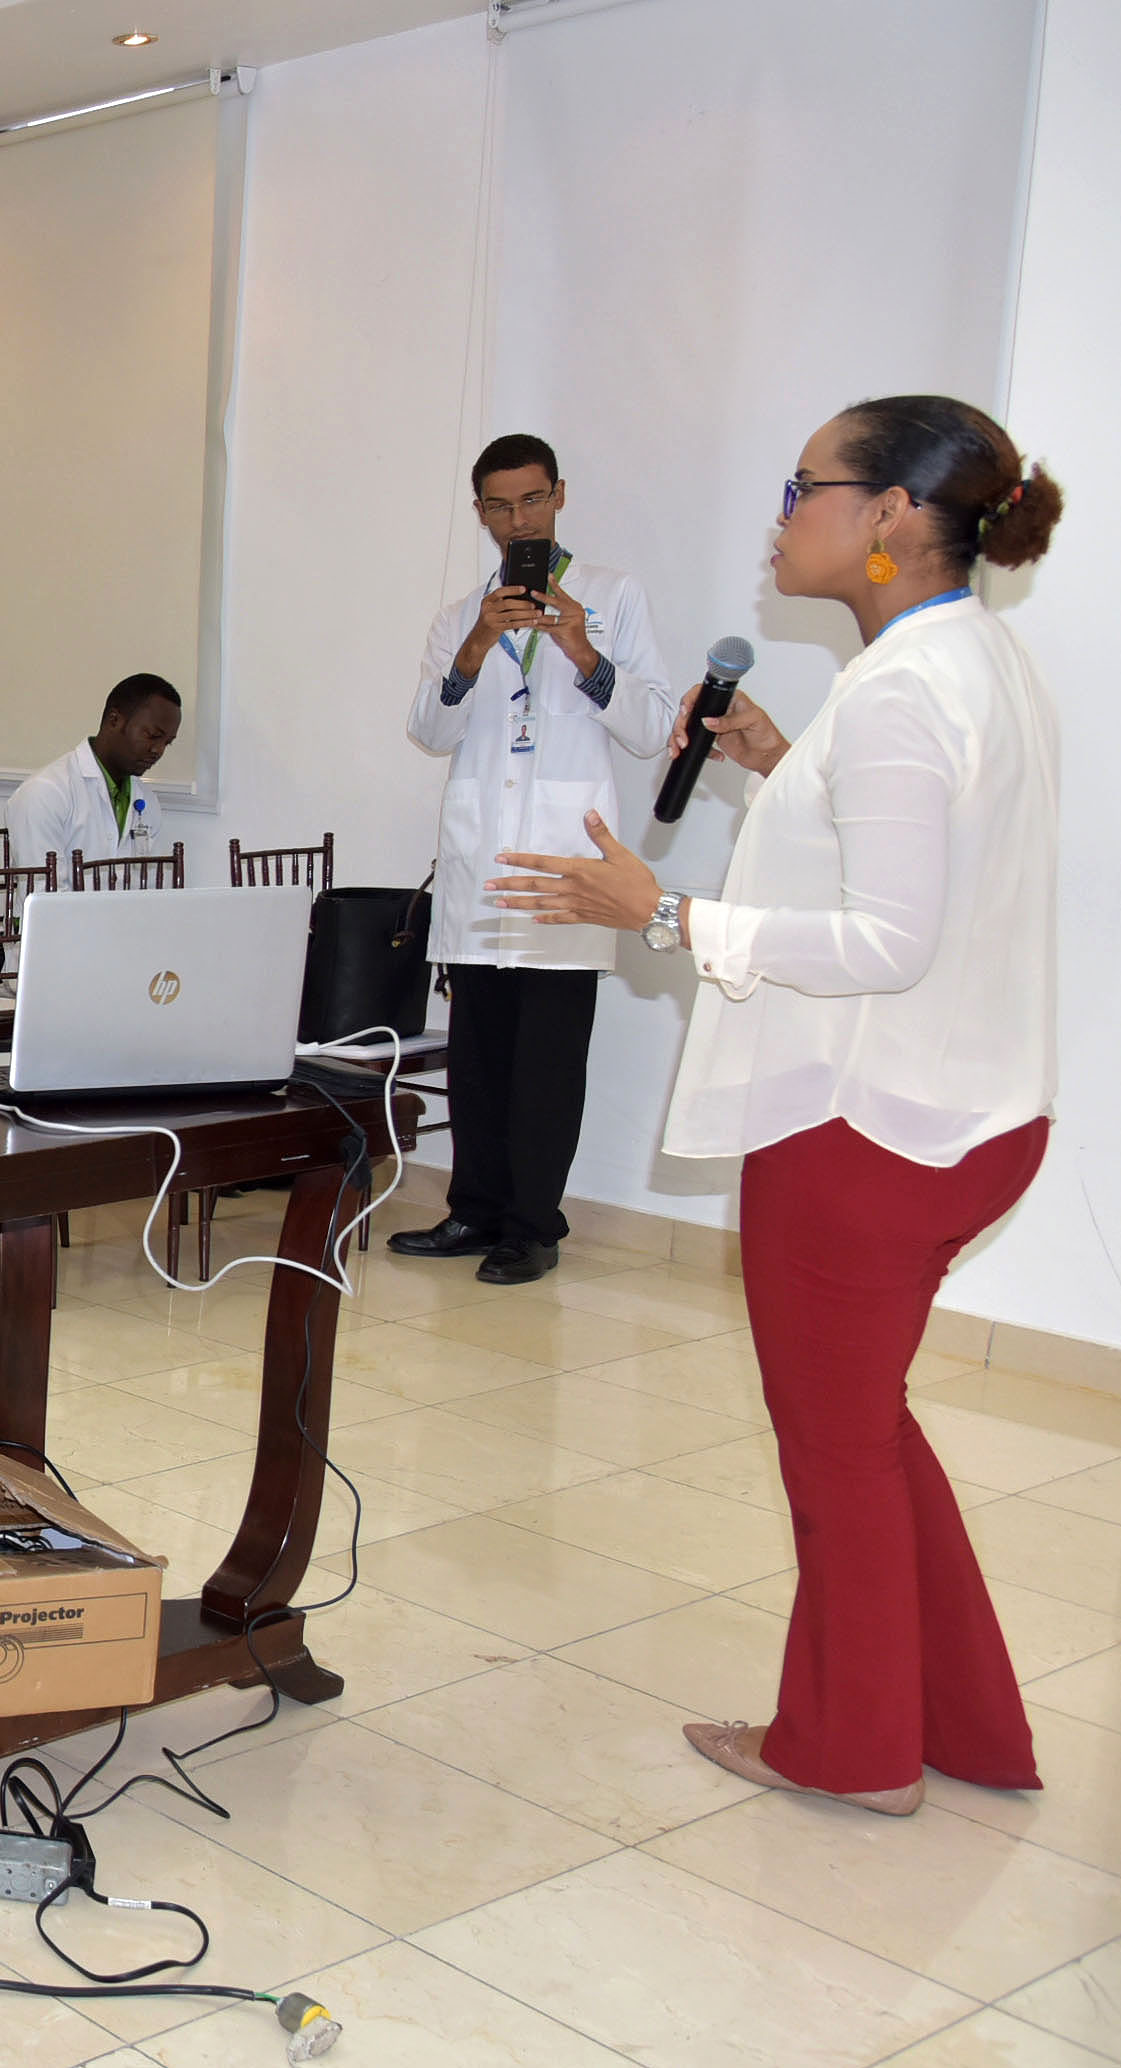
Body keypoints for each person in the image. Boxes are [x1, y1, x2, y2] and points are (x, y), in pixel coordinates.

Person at [486, 394, 1061, 1819]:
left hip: (867, 1129)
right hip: (967, 1111)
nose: (780, 509)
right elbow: (903, 852)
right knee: (873, 1429)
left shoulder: (907, 688)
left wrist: (667, 911)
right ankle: (969, 1728)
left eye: (805, 484)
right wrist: (776, 767)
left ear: (890, 517)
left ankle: (851, 1749)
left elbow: (887, 941)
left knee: (838, 1450)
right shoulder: (970, 661)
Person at [391, 433, 681, 1286]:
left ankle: (532, 1227)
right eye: (498, 506)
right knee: (476, 1058)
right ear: (478, 512)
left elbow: (648, 726)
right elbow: (429, 729)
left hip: (567, 865)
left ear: (558, 497)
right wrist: (476, 647)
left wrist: (582, 650)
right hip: (481, 861)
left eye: (531, 501)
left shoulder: (611, 597)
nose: (516, 519)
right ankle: (472, 1212)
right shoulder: (459, 616)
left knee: (547, 1064)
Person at [5, 674, 182, 873]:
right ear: (114, 720)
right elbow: (45, 895)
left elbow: (150, 887)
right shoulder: (44, 793)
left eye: (167, 742)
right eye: (152, 736)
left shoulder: (146, 800)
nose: (158, 750)